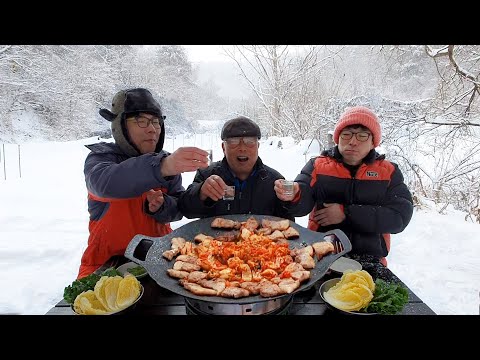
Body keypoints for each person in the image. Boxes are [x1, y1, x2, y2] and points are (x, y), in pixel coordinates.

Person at [77, 88, 208, 279]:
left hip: (158, 262)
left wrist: (162, 206)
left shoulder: (166, 164)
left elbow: (177, 209)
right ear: (120, 126)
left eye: (156, 121)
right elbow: (105, 184)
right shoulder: (101, 159)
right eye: (141, 121)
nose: (152, 128)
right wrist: (161, 167)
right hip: (105, 268)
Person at [278, 106, 413, 265]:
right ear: (338, 138)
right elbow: (302, 202)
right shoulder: (318, 166)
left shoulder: (388, 172)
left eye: (362, 135)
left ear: (373, 142)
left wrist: (346, 213)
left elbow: (399, 217)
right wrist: (294, 195)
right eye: (346, 134)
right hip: (323, 255)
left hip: (370, 258)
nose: (353, 142)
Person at [178, 116, 293, 220]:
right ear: (223, 147)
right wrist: (201, 193)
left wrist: (291, 198)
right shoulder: (207, 175)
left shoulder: (274, 181)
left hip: (262, 242)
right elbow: (186, 210)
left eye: (249, 142)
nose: (242, 148)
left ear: (258, 146)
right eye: (234, 142)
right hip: (214, 243)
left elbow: (288, 224)